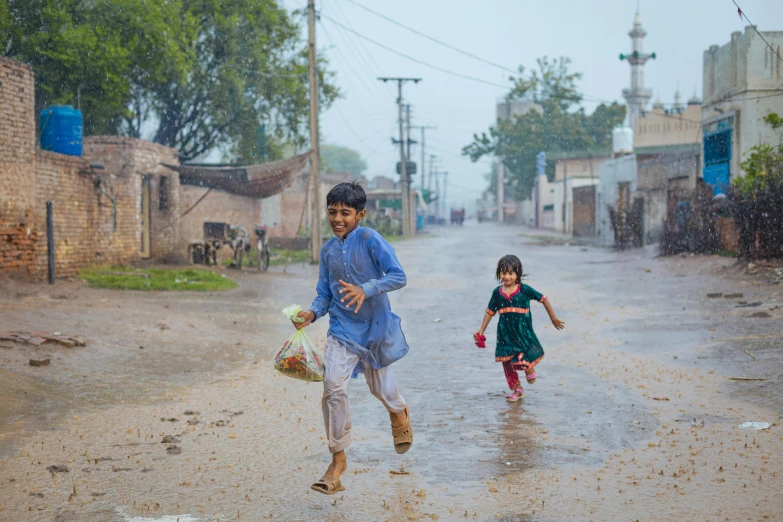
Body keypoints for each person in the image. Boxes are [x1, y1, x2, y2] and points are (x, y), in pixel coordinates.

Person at [293, 181, 412, 495]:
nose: (337, 219)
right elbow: (324, 294)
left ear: (361, 214)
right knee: (332, 387)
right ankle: (338, 460)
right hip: (342, 331)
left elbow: (398, 276)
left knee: (381, 390)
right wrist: (311, 313)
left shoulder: (371, 239)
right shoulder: (328, 250)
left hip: (375, 329)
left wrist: (367, 288)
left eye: (345, 213)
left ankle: (399, 412)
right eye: (332, 212)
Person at [473, 255, 565, 402]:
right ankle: (517, 389)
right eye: (503, 272)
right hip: (504, 334)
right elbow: (490, 312)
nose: (507, 276)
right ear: (499, 273)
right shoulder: (497, 293)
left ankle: (529, 368)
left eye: (511, 273)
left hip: (523, 332)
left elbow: (543, 299)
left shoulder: (524, 290)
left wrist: (553, 318)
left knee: (520, 357)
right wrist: (481, 330)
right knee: (507, 362)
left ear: (518, 274)